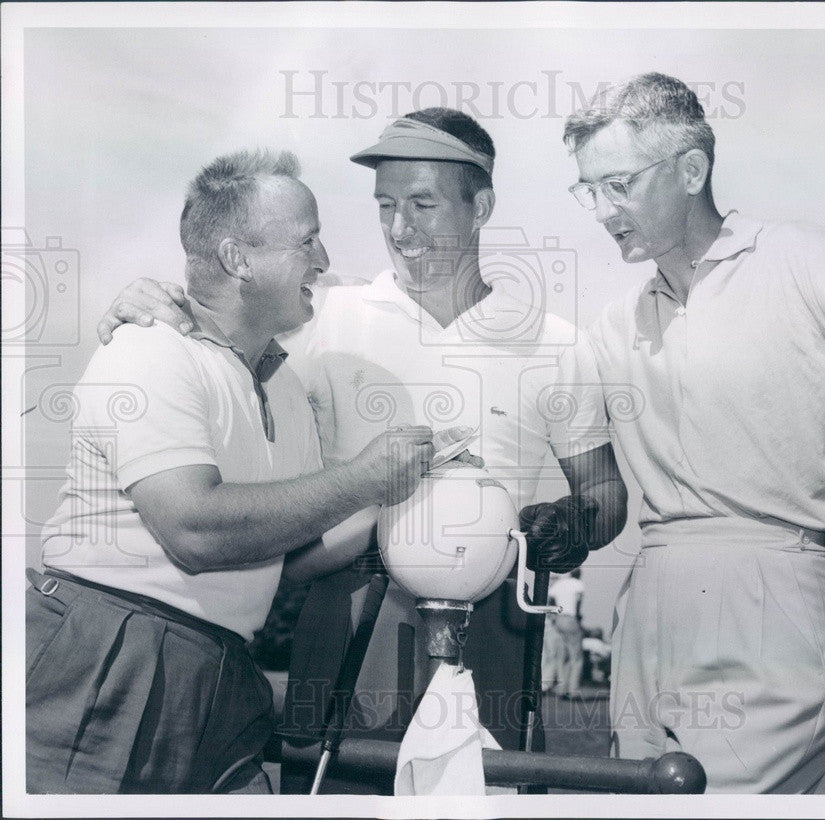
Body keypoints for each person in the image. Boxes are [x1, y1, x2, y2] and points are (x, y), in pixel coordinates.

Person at [94, 110, 628, 778]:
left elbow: (605, 493)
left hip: (493, 620)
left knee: (485, 792)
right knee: (339, 792)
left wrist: (575, 524)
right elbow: (219, 323)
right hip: (349, 614)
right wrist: (149, 299)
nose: (400, 229)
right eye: (386, 206)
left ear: (481, 206)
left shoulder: (556, 342)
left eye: (424, 204)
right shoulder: (325, 316)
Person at [559, 73, 825, 792]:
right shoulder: (614, 324)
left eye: (617, 183)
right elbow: (602, 501)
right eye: (588, 190)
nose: (602, 210)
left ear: (691, 170)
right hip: (646, 605)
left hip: (776, 598)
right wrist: (561, 521)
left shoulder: (796, 256)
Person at [27, 150, 445, 793]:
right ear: (237, 260)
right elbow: (194, 531)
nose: (325, 260)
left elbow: (288, 553)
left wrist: (403, 503)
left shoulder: (281, 388)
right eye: (308, 241)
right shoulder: (150, 349)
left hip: (223, 668)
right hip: (113, 652)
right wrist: (363, 478)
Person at [548, 568, 586, 699]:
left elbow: (550, 600)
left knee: (564, 655)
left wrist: (552, 616)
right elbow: (578, 603)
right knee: (577, 657)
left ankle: (562, 688)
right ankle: (573, 690)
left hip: (558, 619)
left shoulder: (560, 584)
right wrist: (579, 619)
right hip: (570, 618)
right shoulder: (578, 584)